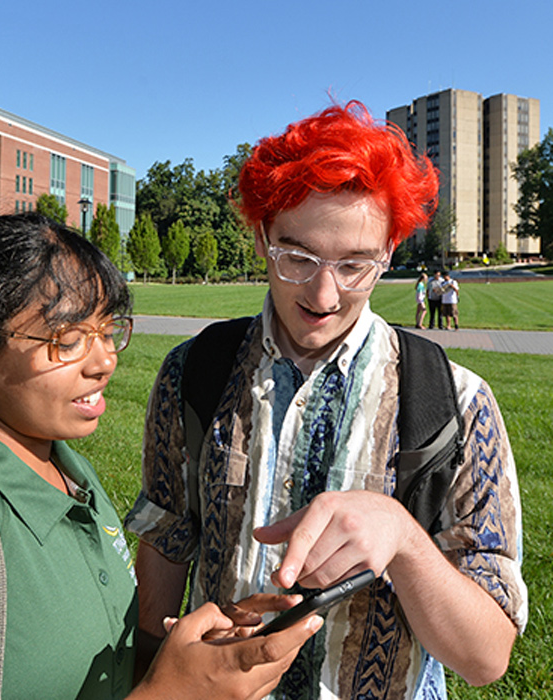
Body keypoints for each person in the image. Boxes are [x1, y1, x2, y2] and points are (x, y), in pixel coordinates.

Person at [125, 103, 527, 699]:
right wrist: (149, 678)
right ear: (263, 235)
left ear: (389, 252)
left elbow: (487, 656)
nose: (323, 293)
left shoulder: (456, 404)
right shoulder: (194, 372)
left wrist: (402, 537)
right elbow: (166, 539)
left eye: (354, 265)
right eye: (298, 257)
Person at [0, 213, 321, 700]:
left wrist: (186, 661)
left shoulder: (75, 478)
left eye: (107, 330)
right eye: (68, 340)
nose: (104, 362)